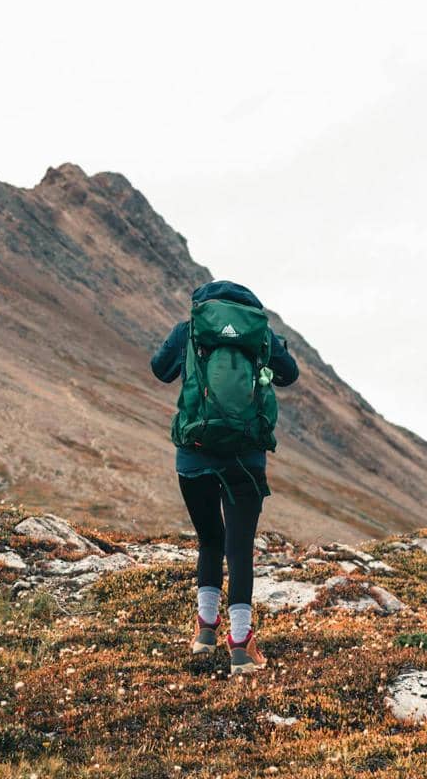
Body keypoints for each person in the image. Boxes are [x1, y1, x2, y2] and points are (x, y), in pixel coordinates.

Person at [150, 280, 299, 674]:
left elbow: (159, 370)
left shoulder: (190, 330)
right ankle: (240, 644)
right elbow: (290, 375)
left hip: (195, 454)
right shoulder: (260, 333)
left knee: (209, 540)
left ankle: (204, 632)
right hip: (246, 458)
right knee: (239, 547)